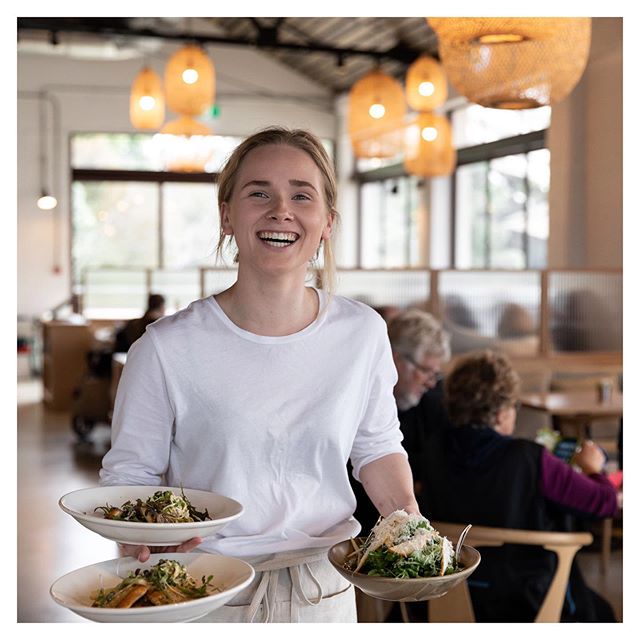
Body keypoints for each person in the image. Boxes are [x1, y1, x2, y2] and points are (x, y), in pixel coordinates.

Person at [99, 127, 419, 623]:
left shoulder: (363, 334)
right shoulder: (165, 349)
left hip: (324, 591)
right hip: (204, 589)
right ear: (227, 215)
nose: (280, 211)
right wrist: (142, 537)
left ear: (327, 221)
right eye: (259, 193)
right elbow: (130, 475)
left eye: (301, 195)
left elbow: (376, 447)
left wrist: (408, 520)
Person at [424, 349, 618, 622]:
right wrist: (594, 469)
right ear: (502, 412)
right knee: (603, 614)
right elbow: (605, 503)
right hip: (526, 602)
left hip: (441, 594)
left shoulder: (432, 450)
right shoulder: (529, 457)